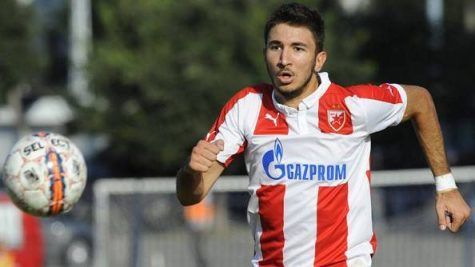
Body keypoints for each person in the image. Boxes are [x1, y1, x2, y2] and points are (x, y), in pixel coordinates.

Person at [176, 3, 471, 266]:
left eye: (298, 48)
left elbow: (420, 100)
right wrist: (191, 171)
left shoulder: (352, 107)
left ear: (319, 60)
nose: (284, 59)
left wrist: (446, 186)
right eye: (275, 46)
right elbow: (191, 194)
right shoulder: (247, 106)